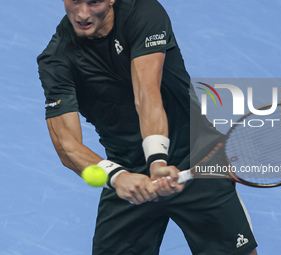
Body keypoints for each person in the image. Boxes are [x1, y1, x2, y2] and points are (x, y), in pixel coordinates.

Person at [37, 0, 258, 254]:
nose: (83, 13)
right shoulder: (56, 60)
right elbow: (67, 146)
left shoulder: (142, 12)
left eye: (94, 2)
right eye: (75, 1)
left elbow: (146, 93)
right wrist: (117, 177)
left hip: (196, 156)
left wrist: (157, 161)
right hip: (128, 171)